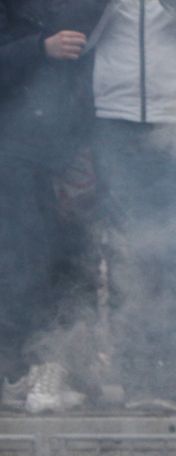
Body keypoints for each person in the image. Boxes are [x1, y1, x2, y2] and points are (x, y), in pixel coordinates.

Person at [91, 0, 176, 408]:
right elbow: (76, 38)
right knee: (125, 248)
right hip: (112, 117)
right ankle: (133, 374)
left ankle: (170, 373)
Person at [0, 0, 104, 412]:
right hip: (17, 148)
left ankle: (66, 365)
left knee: (78, 257)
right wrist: (40, 48)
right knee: (23, 259)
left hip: (78, 143)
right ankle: (18, 370)